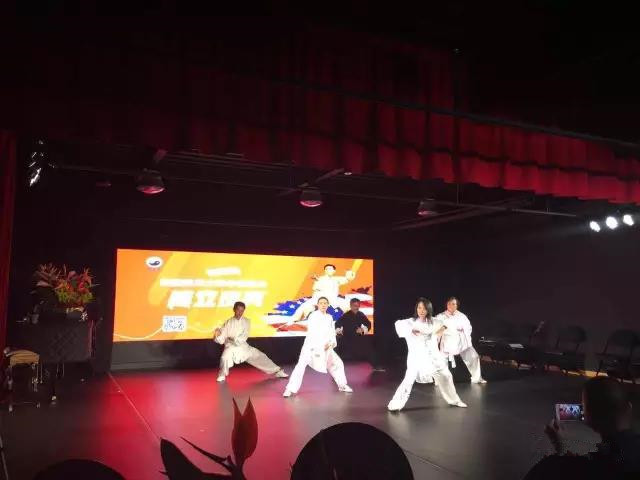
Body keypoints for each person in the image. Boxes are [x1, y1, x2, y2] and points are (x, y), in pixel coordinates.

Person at [540, 377, 640, 475]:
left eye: (583, 407)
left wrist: (560, 447)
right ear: (629, 407)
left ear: (589, 419)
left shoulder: (594, 466)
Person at [388, 298, 467, 411]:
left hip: (434, 357)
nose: (421, 311)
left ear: (428, 310)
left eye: (424, 308)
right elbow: (399, 325)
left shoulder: (434, 321)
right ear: (416, 309)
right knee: (408, 380)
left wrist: (437, 333)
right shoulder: (411, 322)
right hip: (417, 357)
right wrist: (411, 330)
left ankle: (454, 400)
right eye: (419, 308)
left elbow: (446, 324)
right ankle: (396, 404)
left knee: (446, 376)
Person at [283, 297, 353, 397]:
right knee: (300, 366)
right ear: (318, 305)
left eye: (325, 303)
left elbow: (331, 332)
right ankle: (290, 389)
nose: (323, 305)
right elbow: (313, 332)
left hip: (326, 346)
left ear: (328, 305)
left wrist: (331, 342)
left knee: (337, 363)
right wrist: (321, 345)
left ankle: (342, 385)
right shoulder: (313, 316)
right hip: (311, 346)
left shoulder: (329, 317)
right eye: (321, 303)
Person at [214, 302, 289, 382]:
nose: (240, 312)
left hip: (243, 347)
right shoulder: (228, 322)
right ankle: (222, 375)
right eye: (238, 310)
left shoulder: (246, 321)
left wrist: (231, 339)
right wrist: (218, 334)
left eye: (242, 310)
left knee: (260, 356)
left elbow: (244, 336)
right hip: (230, 347)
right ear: (234, 310)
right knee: (224, 358)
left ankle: (278, 371)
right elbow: (222, 337)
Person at [435, 297, 486, 384]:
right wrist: (436, 340)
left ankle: (477, 378)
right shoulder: (441, 316)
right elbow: (436, 329)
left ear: (457, 305)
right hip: (447, 341)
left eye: (453, 304)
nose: (451, 305)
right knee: (441, 361)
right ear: (447, 305)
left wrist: (466, 337)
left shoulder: (462, 316)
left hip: (461, 341)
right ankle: (440, 381)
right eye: (449, 304)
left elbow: (468, 328)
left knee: (474, 357)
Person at [288, 264, 356, 324]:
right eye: (327, 269)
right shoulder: (320, 279)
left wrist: (349, 272)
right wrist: (316, 300)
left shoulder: (336, 279)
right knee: (305, 306)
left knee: (348, 305)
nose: (328, 270)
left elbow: (348, 279)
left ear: (334, 271)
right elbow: (316, 290)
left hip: (333, 298)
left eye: (330, 269)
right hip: (320, 298)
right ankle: (293, 320)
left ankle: (354, 320)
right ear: (325, 270)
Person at [335, 298, 385, 371]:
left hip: (358, 337)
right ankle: (335, 367)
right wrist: (339, 330)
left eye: (358, 306)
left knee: (369, 347)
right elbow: (337, 324)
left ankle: (376, 366)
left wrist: (362, 329)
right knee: (336, 347)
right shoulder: (346, 315)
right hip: (347, 338)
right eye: (354, 306)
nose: (356, 307)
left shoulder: (360, 314)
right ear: (350, 305)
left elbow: (368, 324)